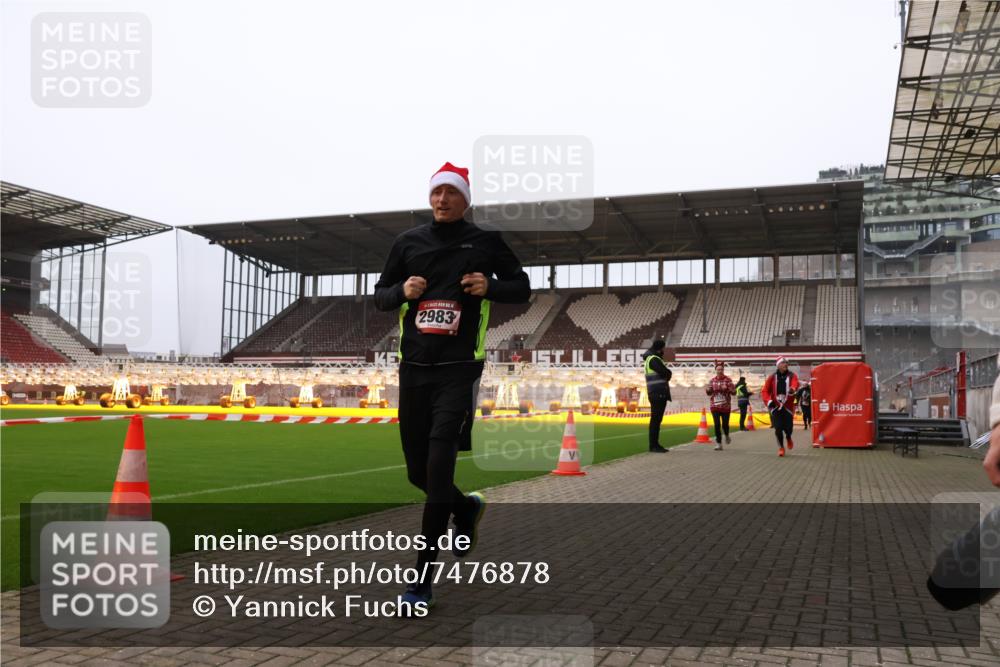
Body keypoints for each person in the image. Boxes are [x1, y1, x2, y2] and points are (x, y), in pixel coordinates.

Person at [374, 162, 531, 612]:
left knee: (439, 471)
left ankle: (419, 582)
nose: (442, 200)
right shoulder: (408, 243)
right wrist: (402, 291)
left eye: (451, 192)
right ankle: (464, 510)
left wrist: (490, 286)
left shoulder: (486, 241)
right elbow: (378, 295)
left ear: (466, 198)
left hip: (460, 369)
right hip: (414, 369)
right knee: (417, 475)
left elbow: (521, 287)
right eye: (436, 193)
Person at [761, 356, 799, 457]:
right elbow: (765, 390)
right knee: (778, 428)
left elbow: (795, 383)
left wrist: (792, 389)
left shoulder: (792, 375)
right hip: (776, 406)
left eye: (786, 363)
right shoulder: (772, 377)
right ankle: (781, 447)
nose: (785, 365)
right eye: (783, 363)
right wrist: (769, 401)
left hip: (788, 406)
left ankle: (788, 437)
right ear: (778, 365)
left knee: (788, 428)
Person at [642, 339, 672, 453]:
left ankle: (654, 444)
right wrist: (669, 373)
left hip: (654, 392)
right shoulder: (654, 359)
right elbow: (665, 373)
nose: (664, 351)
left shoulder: (650, 358)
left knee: (656, 420)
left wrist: (667, 373)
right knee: (656, 420)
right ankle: (654, 445)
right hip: (658, 392)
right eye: (663, 348)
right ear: (660, 348)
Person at [705, 361, 734, 450]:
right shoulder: (712, 380)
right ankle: (719, 443)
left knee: (725, 425)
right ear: (715, 370)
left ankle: (727, 435)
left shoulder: (728, 380)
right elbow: (709, 393)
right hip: (715, 405)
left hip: (725, 406)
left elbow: (734, 392)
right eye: (718, 369)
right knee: (717, 425)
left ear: (723, 370)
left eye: (721, 369)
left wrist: (728, 389)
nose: (719, 371)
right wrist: (708, 390)